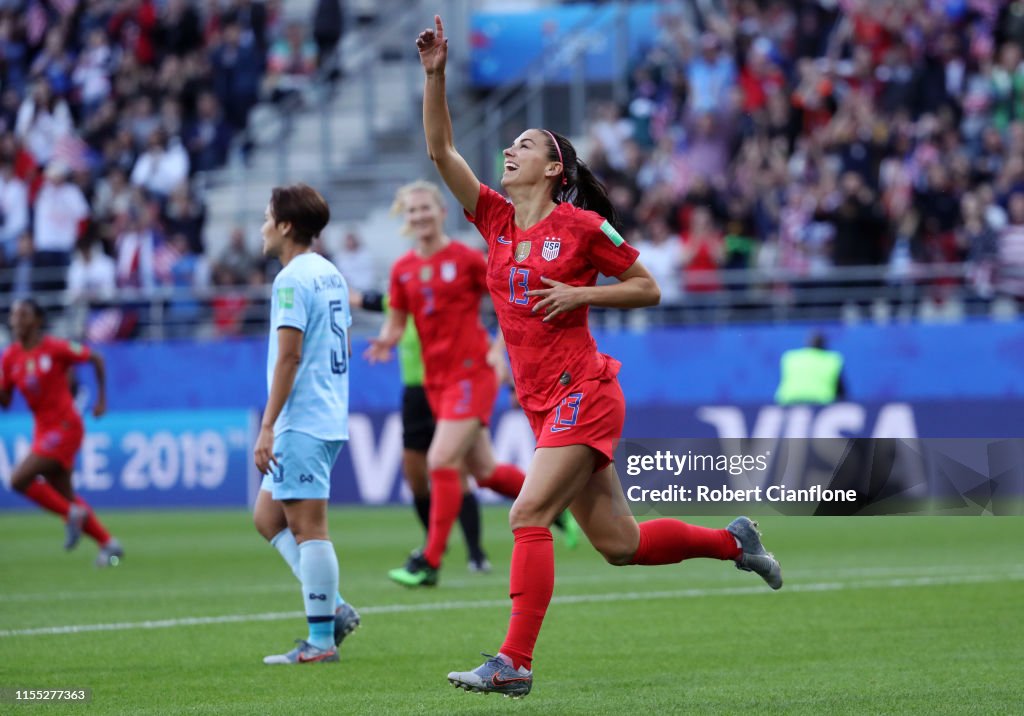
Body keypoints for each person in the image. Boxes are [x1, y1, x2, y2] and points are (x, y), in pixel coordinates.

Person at [415, 16, 783, 698]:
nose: (509, 151)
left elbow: (648, 286)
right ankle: (735, 542)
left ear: (555, 168)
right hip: (540, 400)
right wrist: (435, 74)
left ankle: (514, 663)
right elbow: (440, 151)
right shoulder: (494, 220)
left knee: (526, 516)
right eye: (509, 144)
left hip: (585, 388)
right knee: (620, 544)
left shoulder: (582, 227)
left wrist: (580, 293)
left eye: (525, 145)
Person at [366, 179, 536, 588]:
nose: (420, 215)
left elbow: (505, 302)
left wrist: (499, 349)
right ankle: (553, 501)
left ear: (442, 212)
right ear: (405, 220)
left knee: (440, 460)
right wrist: (387, 339)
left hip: (471, 372)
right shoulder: (403, 269)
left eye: (426, 208)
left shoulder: (466, 258)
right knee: (486, 471)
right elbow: (397, 319)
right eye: (413, 211)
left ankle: (430, 560)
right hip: (436, 381)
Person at [250, 183, 360, 665]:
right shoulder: (329, 273)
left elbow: (289, 355)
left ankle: (320, 641)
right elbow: (347, 346)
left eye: (267, 217)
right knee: (268, 517)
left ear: (286, 225)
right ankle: (332, 605)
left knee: (308, 527)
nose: (263, 226)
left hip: (303, 418)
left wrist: (268, 424)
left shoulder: (292, 279)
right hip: (326, 411)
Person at [352, 285, 491, 573]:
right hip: (415, 394)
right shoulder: (401, 299)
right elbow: (367, 299)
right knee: (415, 476)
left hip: (447, 389)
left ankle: (476, 553)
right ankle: (434, 542)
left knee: (460, 472)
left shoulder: (447, 303)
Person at [0, 298, 123, 568]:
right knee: (65, 495)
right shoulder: (10, 357)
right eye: (13, 315)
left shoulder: (55, 348)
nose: (16, 320)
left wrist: (102, 400)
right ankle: (109, 544)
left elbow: (96, 357)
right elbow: (6, 402)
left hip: (66, 426)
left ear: (37, 321)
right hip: (42, 429)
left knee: (18, 479)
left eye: (22, 315)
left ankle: (70, 514)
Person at [775, 331, 846, 405]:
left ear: (807, 344)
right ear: (824, 346)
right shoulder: (832, 360)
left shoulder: (789, 357)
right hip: (820, 404)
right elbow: (841, 392)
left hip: (788, 403)